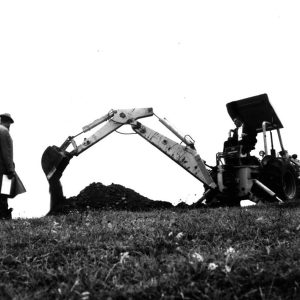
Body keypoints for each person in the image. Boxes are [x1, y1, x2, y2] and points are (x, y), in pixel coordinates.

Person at [0, 113, 26, 219]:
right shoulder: (4, 132)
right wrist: (10, 170)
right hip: (4, 171)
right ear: (9, 122)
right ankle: (3, 217)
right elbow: (7, 153)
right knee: (3, 195)